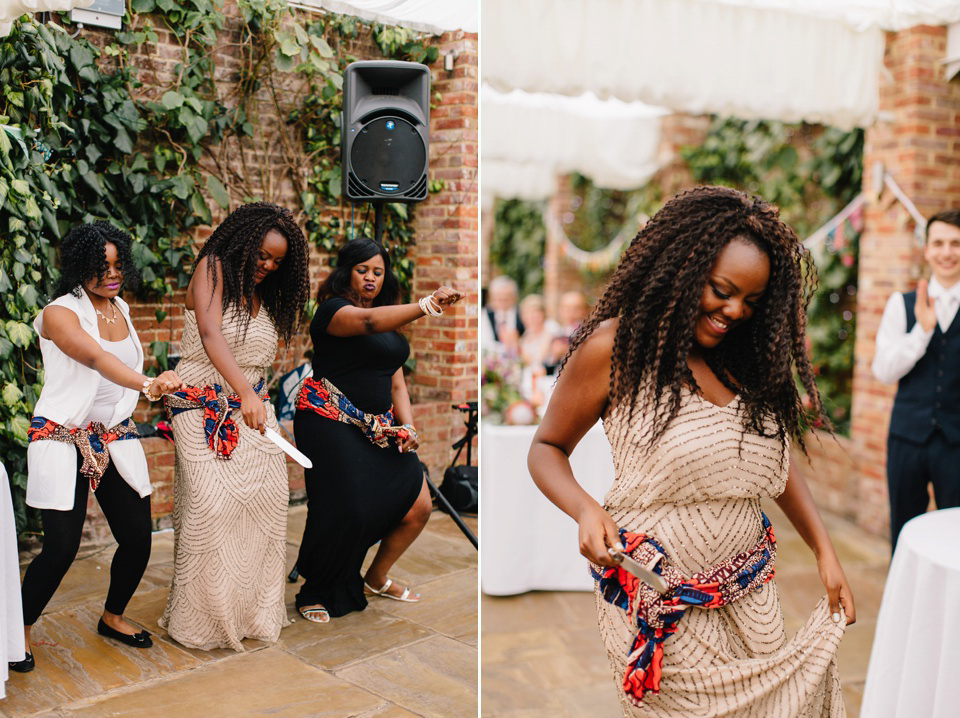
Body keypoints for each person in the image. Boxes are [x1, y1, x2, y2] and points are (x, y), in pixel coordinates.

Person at [528, 186, 855, 716]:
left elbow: (770, 462)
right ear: (683, 268)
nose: (734, 311)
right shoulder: (618, 347)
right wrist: (586, 509)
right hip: (659, 600)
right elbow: (546, 448)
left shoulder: (743, 360)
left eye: (751, 301)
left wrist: (824, 548)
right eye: (721, 290)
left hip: (750, 591)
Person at [12, 222, 185, 673]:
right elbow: (94, 357)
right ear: (77, 267)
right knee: (61, 547)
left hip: (112, 434)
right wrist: (150, 383)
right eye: (99, 267)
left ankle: (112, 617)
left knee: (137, 539)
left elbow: (117, 365)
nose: (111, 275)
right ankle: (19, 630)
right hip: (61, 435)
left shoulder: (121, 308)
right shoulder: (58, 313)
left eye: (116, 265)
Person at [159, 202, 310, 651]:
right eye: (262, 254)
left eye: (278, 261)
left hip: (250, 411)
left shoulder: (264, 295)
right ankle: (200, 621)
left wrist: (252, 397)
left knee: (269, 501)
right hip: (198, 405)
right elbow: (210, 335)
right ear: (244, 241)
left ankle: (251, 614)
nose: (267, 266)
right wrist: (244, 392)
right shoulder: (212, 268)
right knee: (209, 507)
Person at [292, 238, 462, 623]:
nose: (370, 278)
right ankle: (316, 590)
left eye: (378, 272)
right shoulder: (333, 310)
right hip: (328, 421)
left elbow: (396, 382)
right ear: (346, 271)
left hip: (378, 428)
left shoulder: (388, 317)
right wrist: (426, 305)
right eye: (362, 270)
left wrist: (409, 426)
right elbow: (366, 323)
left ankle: (376, 575)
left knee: (418, 505)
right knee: (344, 508)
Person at [871, 209, 960, 550]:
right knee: (904, 535)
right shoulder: (901, 304)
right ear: (926, 249)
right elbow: (883, 371)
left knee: (955, 537)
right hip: (907, 439)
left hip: (956, 443)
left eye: (955, 243)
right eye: (939, 243)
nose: (947, 252)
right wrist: (922, 331)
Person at [481, 275, 523, 351]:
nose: (502, 301)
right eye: (499, 298)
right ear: (492, 298)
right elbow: (484, 343)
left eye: (506, 298)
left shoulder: (522, 314)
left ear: (514, 297)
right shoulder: (484, 315)